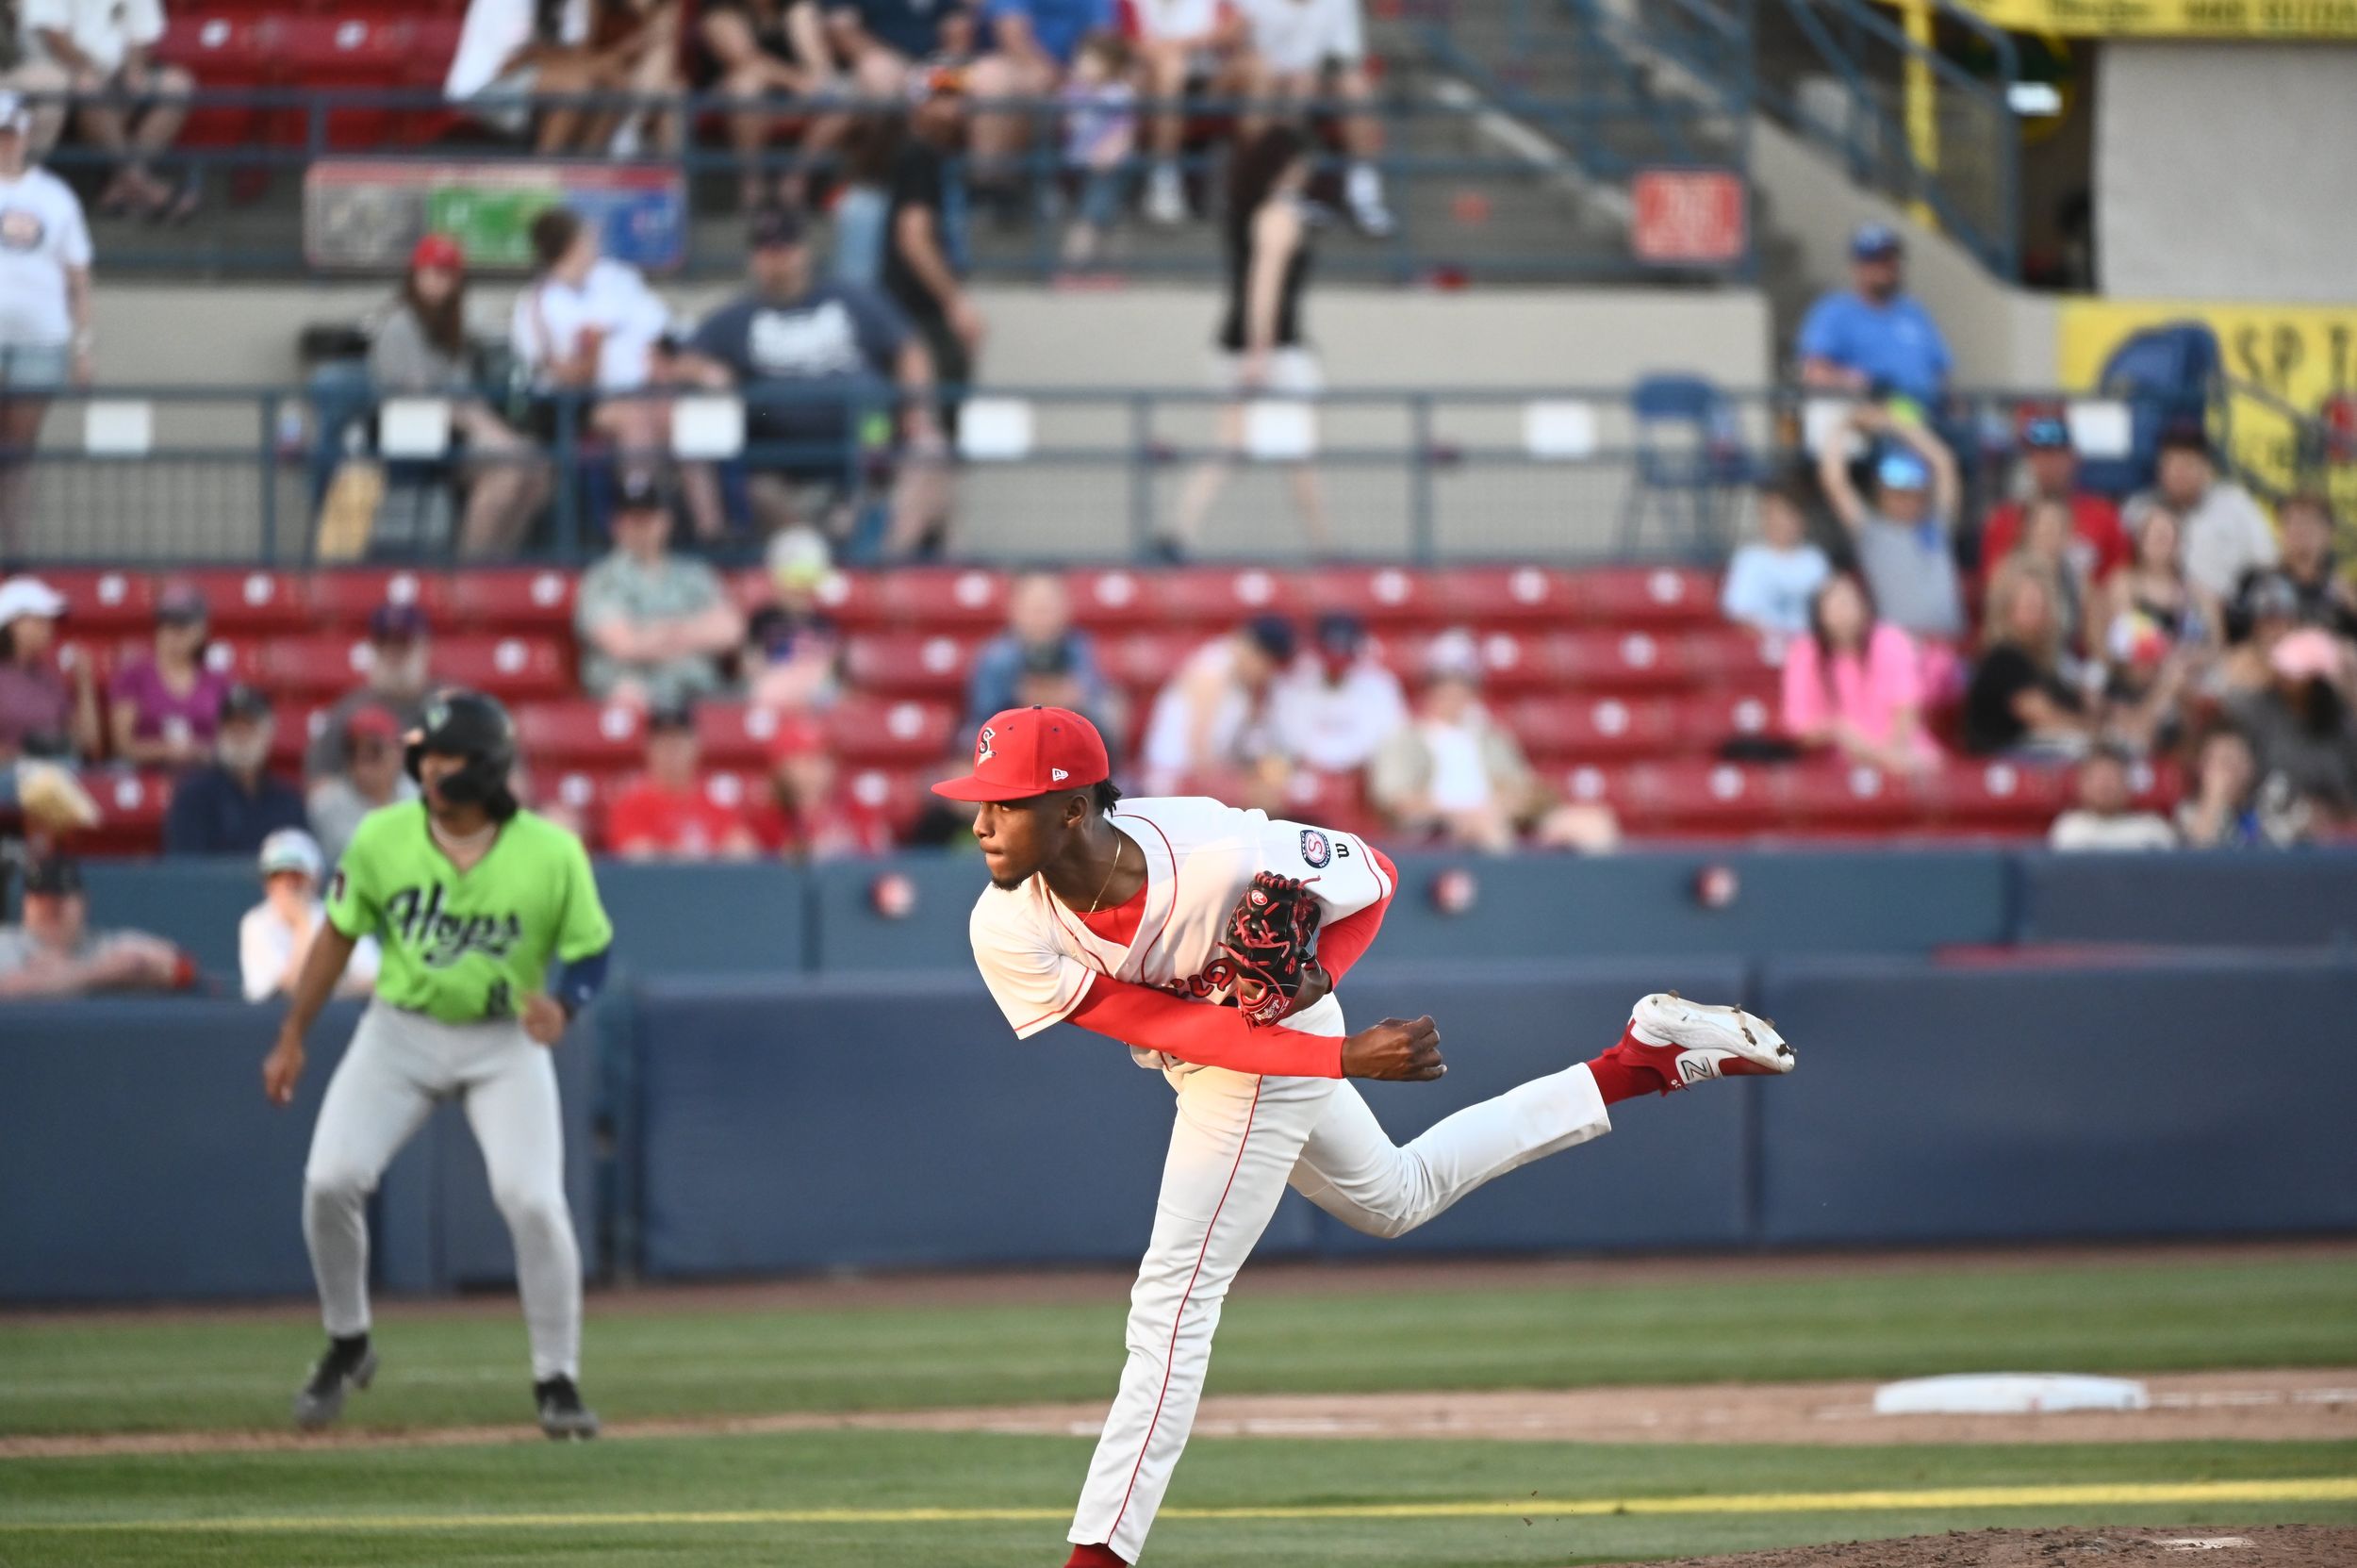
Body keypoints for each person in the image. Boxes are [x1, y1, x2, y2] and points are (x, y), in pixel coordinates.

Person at [932, 703, 1793, 1568]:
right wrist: (1338, 1055)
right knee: (1396, 1197)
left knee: (1173, 1303)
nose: (980, 823)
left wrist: (1319, 985)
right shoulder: (1007, 922)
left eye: (1005, 804)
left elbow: (1375, 872)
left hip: (1275, 1049)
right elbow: (1174, 1027)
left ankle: (1097, 1557)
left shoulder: (1215, 850)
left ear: (1074, 809)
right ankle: (1638, 1061)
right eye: (982, 801)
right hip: (1236, 1048)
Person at [261, 690, 612, 1440]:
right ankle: (347, 1339)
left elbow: (591, 945)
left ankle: (557, 1378)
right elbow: (337, 936)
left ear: (485, 767)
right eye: (428, 756)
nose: (430, 770)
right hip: (401, 1029)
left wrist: (569, 1003)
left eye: (447, 758)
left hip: (503, 1038)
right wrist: (294, 1032)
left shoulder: (550, 849)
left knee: (532, 1200)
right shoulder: (384, 836)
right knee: (329, 1179)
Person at [681, 205, 948, 550]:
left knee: (904, 425)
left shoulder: (850, 298)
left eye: (784, 247)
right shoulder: (738, 316)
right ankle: (723, 537)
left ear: (803, 250)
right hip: (771, 432)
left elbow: (910, 348)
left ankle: (882, 544)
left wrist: (918, 411)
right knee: (715, 419)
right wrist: (706, 371)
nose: (776, 258)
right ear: (753, 257)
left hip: (863, 427)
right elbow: (678, 360)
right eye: (766, 249)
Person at [1166, 124, 1329, 558]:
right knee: (1293, 450)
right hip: (1268, 348)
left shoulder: (1255, 212)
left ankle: (1180, 532)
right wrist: (1261, 350)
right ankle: (1321, 546)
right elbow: (1265, 286)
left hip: (1246, 344)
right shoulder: (1277, 216)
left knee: (1235, 446)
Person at [511, 206, 720, 538]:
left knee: (681, 417)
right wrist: (595, 350)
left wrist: (662, 364)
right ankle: (640, 524)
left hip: (640, 388)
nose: (593, 244)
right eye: (585, 238)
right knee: (634, 419)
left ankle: (712, 532)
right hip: (572, 405)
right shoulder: (536, 302)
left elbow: (659, 330)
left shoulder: (614, 278)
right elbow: (563, 375)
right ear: (569, 245)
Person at [367, 234, 550, 560]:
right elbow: (425, 398)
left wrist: (502, 435)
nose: (439, 281)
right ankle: (471, 570)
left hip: (452, 434)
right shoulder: (399, 324)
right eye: (432, 272)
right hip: (411, 437)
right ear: (415, 275)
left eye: (448, 274)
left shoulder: (450, 327)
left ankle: (499, 563)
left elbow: (466, 396)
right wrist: (489, 434)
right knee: (506, 474)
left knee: (539, 471)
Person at [1368, 630, 1616, 852]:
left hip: (1507, 819)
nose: (1453, 692)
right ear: (1429, 687)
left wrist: (1511, 802)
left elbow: (1526, 789)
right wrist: (1462, 810)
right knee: (1487, 828)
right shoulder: (1404, 737)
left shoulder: (1490, 737)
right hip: (1442, 829)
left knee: (1594, 824)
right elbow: (1396, 802)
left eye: (1462, 683)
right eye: (1443, 682)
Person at [0, 91, 91, 562]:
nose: (5, 143)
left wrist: (83, 345)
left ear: (25, 135)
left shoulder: (55, 197)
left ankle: (14, 552)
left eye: (10, 133)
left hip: (41, 341)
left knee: (17, 451)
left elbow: (78, 276)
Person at [573, 471, 746, 708]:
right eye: (632, 518)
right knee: (628, 698)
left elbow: (730, 631)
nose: (641, 527)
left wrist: (658, 633)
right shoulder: (602, 578)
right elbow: (624, 645)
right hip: (635, 690)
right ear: (616, 524)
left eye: (648, 517)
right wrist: (692, 631)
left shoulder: (694, 573)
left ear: (665, 520)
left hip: (697, 688)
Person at [876, 81, 982, 446]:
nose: (954, 109)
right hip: (915, 303)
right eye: (942, 99)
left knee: (901, 396)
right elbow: (914, 237)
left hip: (910, 301)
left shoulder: (928, 155)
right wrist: (954, 302)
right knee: (925, 393)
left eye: (958, 98)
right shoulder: (919, 155)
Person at [20, 0, 195, 220]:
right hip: (63, 73)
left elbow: (142, 32)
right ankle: (141, 186)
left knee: (177, 84)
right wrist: (89, 69)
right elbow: (54, 38)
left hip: (115, 75)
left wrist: (135, 69)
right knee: (90, 88)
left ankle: (123, 186)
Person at [1234, 0, 1393, 235]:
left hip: (1316, 78)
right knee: (1293, 88)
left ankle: (1363, 192)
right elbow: (1242, 51)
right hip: (1266, 82)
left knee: (1355, 87)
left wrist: (1316, 74)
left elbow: (1344, 56)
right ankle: (1279, 191)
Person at [1817, 404, 1964, 648]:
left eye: (1912, 492)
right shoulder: (1871, 531)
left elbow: (1944, 462)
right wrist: (1845, 426)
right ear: (1882, 495)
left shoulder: (1937, 524)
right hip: (1899, 651)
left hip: (1948, 646)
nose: (1906, 499)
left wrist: (1893, 424)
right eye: (1897, 493)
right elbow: (1834, 481)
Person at [1780, 574, 1937, 774]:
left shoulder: (1891, 640)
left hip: (1902, 750)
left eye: (1847, 603)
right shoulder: (1805, 652)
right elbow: (1799, 729)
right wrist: (1838, 730)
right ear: (1819, 614)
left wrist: (1889, 751)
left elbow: (1907, 708)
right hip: (1838, 762)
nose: (1842, 612)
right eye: (1833, 605)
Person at [964, 0, 1117, 191]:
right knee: (992, 77)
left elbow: (1103, 43)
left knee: (1116, 89)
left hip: (1080, 77)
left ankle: (1098, 192)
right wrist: (1056, 79)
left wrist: (1078, 82)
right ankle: (990, 189)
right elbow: (1013, 38)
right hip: (1019, 70)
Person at [699, 0, 838, 208]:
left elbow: (821, 70)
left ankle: (795, 181)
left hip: (791, 101)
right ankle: (752, 184)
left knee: (843, 98)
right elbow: (747, 61)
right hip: (734, 101)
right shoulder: (719, 13)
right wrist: (798, 82)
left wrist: (811, 84)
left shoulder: (797, 11)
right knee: (747, 86)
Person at [1795, 223, 1952, 408]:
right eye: (1878, 259)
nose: (1888, 266)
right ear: (1858, 266)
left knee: (1984, 428)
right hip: (1877, 413)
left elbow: (1941, 373)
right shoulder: (1835, 313)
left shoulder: (1913, 312)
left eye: (1892, 258)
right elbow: (1815, 374)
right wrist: (1859, 381)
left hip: (1928, 411)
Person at [1139, 614, 1294, 797]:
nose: (1265, 674)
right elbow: (1197, 745)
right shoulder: (1211, 670)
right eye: (1266, 665)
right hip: (1174, 775)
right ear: (1253, 652)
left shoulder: (1246, 685)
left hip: (1209, 774)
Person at [0, 851, 189, 999]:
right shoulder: (7, 944)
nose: (50, 910)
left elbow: (182, 969)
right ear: (25, 906)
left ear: (84, 903)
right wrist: (102, 973)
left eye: (59, 902)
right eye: (42, 902)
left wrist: (61, 975)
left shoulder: (106, 945)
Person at [1977, 412, 2130, 588]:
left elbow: (2119, 584)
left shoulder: (2103, 516)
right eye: (2042, 454)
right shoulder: (2004, 521)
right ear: (2030, 460)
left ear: (2074, 458)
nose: (2050, 464)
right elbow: (1995, 589)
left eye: (2058, 454)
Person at [1129, 0, 1248, 226]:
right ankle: (1164, 178)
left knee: (1255, 69)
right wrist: (1166, 53)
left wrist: (1186, 44)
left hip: (1210, 82)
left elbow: (1236, 26)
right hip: (1154, 85)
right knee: (1171, 70)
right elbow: (1125, 41)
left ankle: (1260, 183)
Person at [2225, 626, 2357, 830]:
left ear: (2317, 681)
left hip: (2335, 842)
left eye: (2295, 673)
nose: (2284, 677)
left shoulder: (2343, 726)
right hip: (2271, 830)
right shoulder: (2262, 707)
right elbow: (2223, 701)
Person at [1962, 558, 2094, 760]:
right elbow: (2046, 719)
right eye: (2028, 605)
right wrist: (2097, 733)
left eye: (2042, 605)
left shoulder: (2044, 663)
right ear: (2006, 609)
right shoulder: (2003, 658)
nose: (2037, 614)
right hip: (2002, 764)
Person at [2126, 426, 2278, 602]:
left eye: (2189, 464)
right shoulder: (2139, 509)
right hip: (2156, 613)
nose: (2180, 473)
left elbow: (2267, 561)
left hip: (2231, 611)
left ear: (2207, 469)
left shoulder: (2235, 504)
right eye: (2173, 464)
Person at [161, 685, 309, 856]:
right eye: (232, 727)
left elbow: (301, 865)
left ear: (268, 732)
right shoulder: (193, 797)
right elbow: (185, 871)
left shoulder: (288, 802)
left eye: (248, 727)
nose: (239, 735)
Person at [965, 569, 1115, 734]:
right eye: (1035, 608)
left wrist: (1071, 697)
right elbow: (983, 719)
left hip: (1069, 741)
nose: (1041, 617)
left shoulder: (1080, 648)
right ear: (1014, 609)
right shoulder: (996, 656)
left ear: (1066, 608)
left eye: (1048, 607)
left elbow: (1096, 704)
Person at [603, 702, 760, 859]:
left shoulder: (716, 800)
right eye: (663, 742)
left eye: (679, 742)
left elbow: (742, 848)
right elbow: (635, 856)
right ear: (648, 748)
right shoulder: (631, 803)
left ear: (696, 745)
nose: (672, 751)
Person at [239, 828, 380, 1002]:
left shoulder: (340, 917)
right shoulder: (256, 923)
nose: (286, 885)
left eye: (296, 875)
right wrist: (302, 924)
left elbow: (376, 981)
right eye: (276, 875)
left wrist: (330, 990)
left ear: (315, 878)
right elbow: (289, 991)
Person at [106, 581, 230, 770]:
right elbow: (123, 745)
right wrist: (168, 750)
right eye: (167, 624)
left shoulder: (217, 681)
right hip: (144, 776)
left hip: (204, 777)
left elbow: (230, 740)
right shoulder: (134, 675)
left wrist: (201, 751)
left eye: (182, 625)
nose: (174, 633)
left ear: (201, 630)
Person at [305, 602, 436, 781]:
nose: (393, 652)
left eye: (403, 643)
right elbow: (320, 782)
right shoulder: (349, 711)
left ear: (424, 647)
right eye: (385, 644)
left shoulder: (449, 703)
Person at [1267, 611, 1405, 776]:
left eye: (1343, 658)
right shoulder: (1292, 683)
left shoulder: (1380, 686)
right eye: (1330, 657)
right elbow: (1286, 737)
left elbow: (1390, 738)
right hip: (1300, 772)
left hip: (1364, 776)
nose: (1336, 667)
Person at [747, 714, 893, 858]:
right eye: (807, 758)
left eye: (824, 757)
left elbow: (879, 863)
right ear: (783, 766)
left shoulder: (856, 810)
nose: (818, 767)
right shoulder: (763, 818)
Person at [744, 525, 845, 713]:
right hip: (774, 697)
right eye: (794, 583)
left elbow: (831, 668)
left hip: (815, 700)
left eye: (804, 585)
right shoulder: (762, 619)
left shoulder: (824, 624)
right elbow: (752, 665)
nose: (798, 592)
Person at [1056, 31, 1135, 268]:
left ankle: (1073, 266)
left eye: (1090, 60)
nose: (1081, 65)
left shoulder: (1119, 94)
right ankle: (1096, 267)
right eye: (1080, 58)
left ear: (1110, 65)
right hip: (1076, 164)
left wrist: (1111, 153)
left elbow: (1124, 131)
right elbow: (1065, 122)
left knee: (1091, 218)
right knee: (1097, 216)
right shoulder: (1072, 92)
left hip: (1106, 168)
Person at [305, 705, 420, 867]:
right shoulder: (327, 804)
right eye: (354, 751)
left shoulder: (418, 796)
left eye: (375, 751)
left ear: (398, 752)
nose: (363, 762)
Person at [1719, 481, 1831, 638]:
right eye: (1776, 514)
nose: (1782, 522)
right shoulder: (1750, 559)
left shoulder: (1815, 560)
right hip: (1763, 653)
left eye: (1789, 514)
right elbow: (1740, 614)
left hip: (1809, 651)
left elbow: (1829, 614)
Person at [2240, 492, 2357, 641]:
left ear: (2329, 533)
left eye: (2309, 524)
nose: (2301, 532)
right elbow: (2235, 641)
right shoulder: (2256, 582)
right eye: (2293, 523)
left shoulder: (2343, 592)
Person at [2173, 726, 2297, 850]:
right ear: (2202, 768)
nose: (2232, 770)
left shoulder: (2269, 804)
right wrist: (2213, 798)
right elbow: (2197, 854)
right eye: (2224, 761)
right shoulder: (2187, 812)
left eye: (2239, 759)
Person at [2047, 746, 2175, 851]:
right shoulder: (2068, 828)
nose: (2105, 785)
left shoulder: (2153, 829)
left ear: (2128, 784)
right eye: (2097, 778)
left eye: (2112, 777)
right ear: (2081, 785)